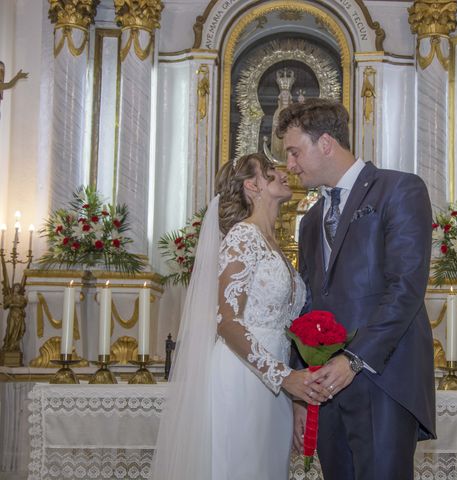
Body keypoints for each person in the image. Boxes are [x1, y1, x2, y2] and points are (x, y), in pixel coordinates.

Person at [276, 98, 436, 480]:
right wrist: (302, 391)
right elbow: (309, 305)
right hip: (327, 389)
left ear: (326, 143)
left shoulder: (399, 189)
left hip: (384, 378)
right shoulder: (311, 220)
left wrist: (353, 359)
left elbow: (406, 287)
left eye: (295, 152)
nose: (290, 165)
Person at [151, 152, 330, 479]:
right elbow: (228, 323)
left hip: (274, 381)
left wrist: (294, 396)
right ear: (253, 185)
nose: (281, 173)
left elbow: (285, 328)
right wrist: (285, 378)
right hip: (242, 374)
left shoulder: (270, 242)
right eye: (270, 170)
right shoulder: (243, 237)